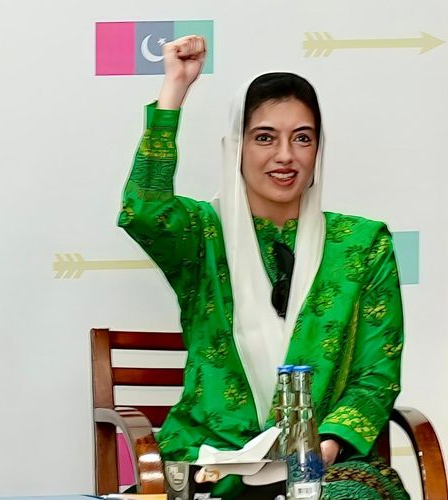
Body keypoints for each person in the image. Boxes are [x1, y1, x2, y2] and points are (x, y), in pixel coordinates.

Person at [118, 35, 409, 499]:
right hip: (210, 461)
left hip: (324, 467)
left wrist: (325, 447)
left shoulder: (362, 244)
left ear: (318, 149)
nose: (285, 156)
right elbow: (143, 210)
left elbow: (376, 374)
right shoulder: (202, 232)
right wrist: (174, 89)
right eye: (265, 137)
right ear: (237, 146)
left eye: (302, 138)